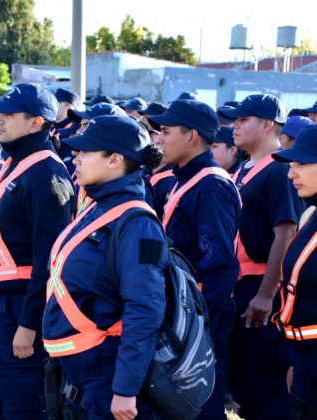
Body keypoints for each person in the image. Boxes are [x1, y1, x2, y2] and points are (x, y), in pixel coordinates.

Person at [42, 115, 168, 419]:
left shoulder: (138, 223)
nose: (76, 157)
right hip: (83, 369)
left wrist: (125, 389)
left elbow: (145, 307)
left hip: (107, 372)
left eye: (86, 152)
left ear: (114, 160)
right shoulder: (100, 207)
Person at [0, 83, 74, 419]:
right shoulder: (18, 162)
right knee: (5, 405)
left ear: (37, 123)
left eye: (9, 113)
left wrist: (29, 323)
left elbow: (49, 260)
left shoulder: (45, 174)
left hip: (19, 307)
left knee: (23, 406)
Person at [149, 100, 241, 419]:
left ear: (191, 136)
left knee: (199, 404)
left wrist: (201, 330)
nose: (158, 138)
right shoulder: (184, 178)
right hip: (181, 309)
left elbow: (220, 265)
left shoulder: (211, 184)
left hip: (198, 316)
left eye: (165, 131)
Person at [219, 94, 304, 419]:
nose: (234, 126)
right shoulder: (243, 168)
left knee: (267, 382)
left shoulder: (281, 169)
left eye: (243, 120)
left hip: (262, 286)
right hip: (239, 286)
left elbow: (286, 233)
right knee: (244, 381)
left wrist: (267, 295)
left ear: (268, 124)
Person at [270, 125, 317, 418]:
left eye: (301, 163)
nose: (291, 173)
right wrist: (296, 362)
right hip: (305, 367)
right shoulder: (310, 214)